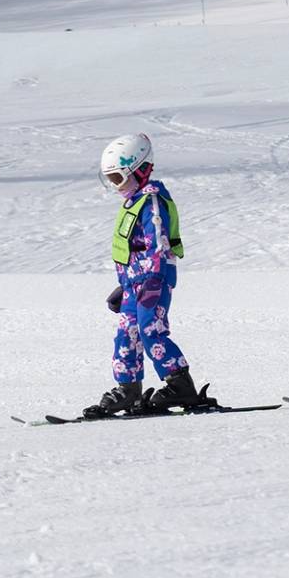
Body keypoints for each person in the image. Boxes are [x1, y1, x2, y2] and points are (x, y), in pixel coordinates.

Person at [84, 133, 216, 418]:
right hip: (135, 283)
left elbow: (158, 243)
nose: (114, 186)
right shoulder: (133, 201)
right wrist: (124, 285)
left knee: (150, 330)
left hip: (152, 282)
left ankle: (180, 383)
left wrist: (154, 280)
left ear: (141, 170)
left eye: (118, 178)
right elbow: (133, 250)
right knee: (126, 335)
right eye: (109, 179)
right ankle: (128, 388)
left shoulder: (152, 201)